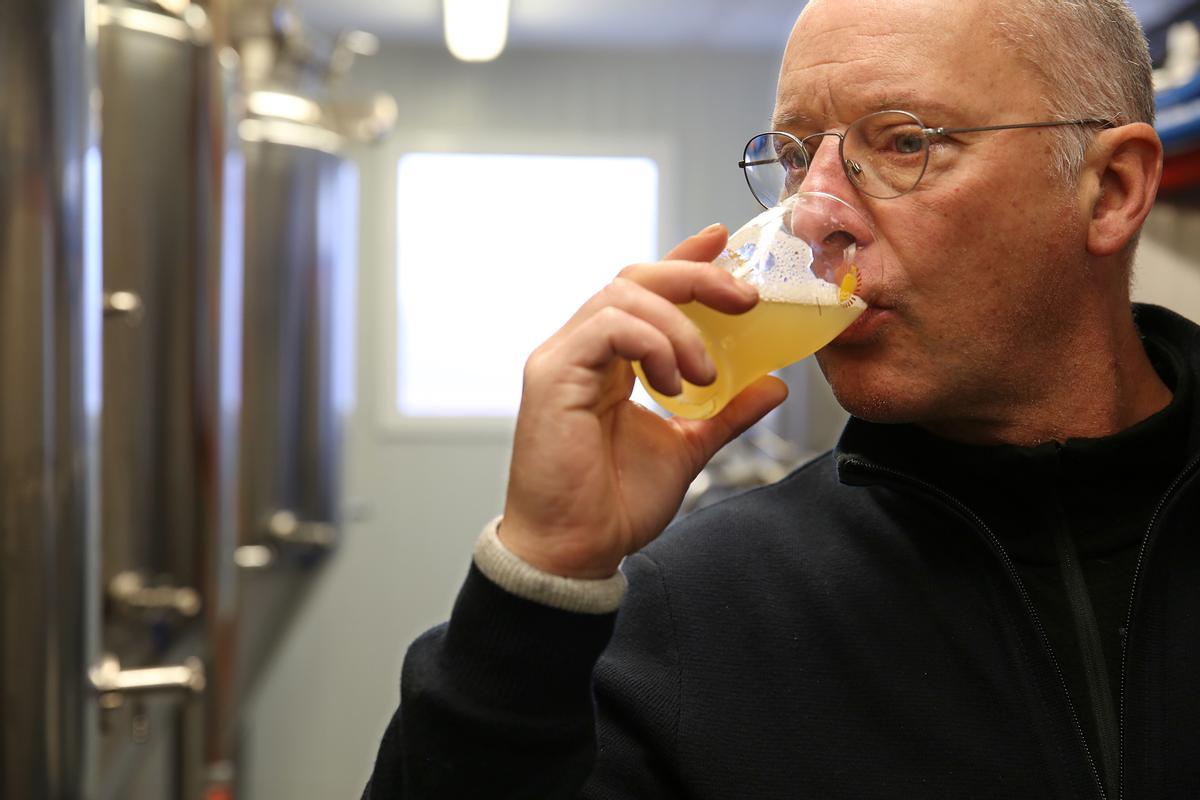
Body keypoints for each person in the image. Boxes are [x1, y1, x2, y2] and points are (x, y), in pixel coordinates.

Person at [365, 0, 1200, 796]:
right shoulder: (694, 615)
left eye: (905, 143)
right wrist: (539, 577)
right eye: (799, 160)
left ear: (1113, 188)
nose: (811, 218)